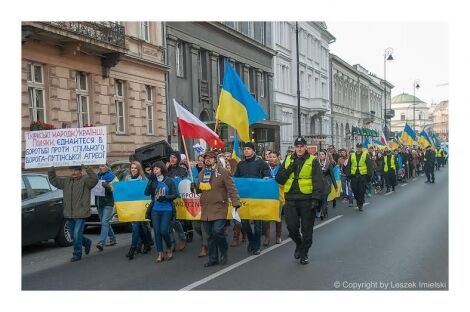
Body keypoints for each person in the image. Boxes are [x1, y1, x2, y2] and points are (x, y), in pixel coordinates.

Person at [275, 137, 324, 265]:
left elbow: (318, 181)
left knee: (307, 229)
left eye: (302, 146)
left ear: (306, 147)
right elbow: (279, 179)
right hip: (291, 199)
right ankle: (299, 243)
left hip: (307, 200)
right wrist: (289, 168)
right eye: (297, 146)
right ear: (295, 147)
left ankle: (304, 253)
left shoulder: (313, 160)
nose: (300, 148)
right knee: (291, 228)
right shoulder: (288, 160)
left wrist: (316, 199)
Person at [196, 150, 241, 267]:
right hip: (206, 208)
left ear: (215, 159)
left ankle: (224, 251)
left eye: (210, 158)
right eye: (206, 158)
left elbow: (231, 188)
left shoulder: (223, 172)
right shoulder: (202, 173)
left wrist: (236, 202)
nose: (207, 160)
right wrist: (194, 188)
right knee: (210, 235)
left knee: (218, 232)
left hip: (219, 207)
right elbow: (199, 190)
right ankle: (213, 258)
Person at [48, 165, 98, 262]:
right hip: (69, 213)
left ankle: (77, 253)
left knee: (76, 234)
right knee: (72, 235)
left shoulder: (86, 180)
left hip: (81, 213)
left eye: (75, 170)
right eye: (71, 170)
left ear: (80, 171)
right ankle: (87, 242)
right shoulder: (66, 181)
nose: (73, 172)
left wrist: (88, 168)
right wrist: (51, 169)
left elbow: (95, 179)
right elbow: (53, 180)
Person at [234, 141, 271, 255]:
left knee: (257, 223)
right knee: (244, 222)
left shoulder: (261, 163)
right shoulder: (240, 164)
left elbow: (267, 175)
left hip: (257, 196)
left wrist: (266, 177)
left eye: (248, 149)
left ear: (253, 151)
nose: (246, 151)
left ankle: (257, 246)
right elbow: (236, 179)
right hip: (245, 197)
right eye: (244, 149)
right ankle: (252, 241)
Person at [145, 161, 177, 263]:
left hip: (167, 209)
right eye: (154, 169)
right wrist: (150, 181)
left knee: (164, 231)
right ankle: (160, 253)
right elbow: (146, 193)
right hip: (155, 209)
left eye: (157, 169)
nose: (155, 171)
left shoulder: (169, 181)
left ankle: (169, 247)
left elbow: (175, 195)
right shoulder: (153, 181)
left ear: (162, 169)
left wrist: (165, 197)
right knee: (157, 232)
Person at [124, 161, 153, 260]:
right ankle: (146, 243)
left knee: (136, 227)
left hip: (141, 207)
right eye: (132, 168)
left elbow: (147, 193)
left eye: (135, 168)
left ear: (139, 169)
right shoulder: (127, 179)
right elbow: (124, 191)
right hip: (131, 206)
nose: (133, 169)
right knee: (139, 228)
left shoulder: (143, 179)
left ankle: (132, 249)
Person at [166, 151, 189, 251]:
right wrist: (165, 169)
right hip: (167, 199)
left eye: (174, 157)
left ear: (178, 159)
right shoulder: (165, 170)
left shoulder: (182, 170)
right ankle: (171, 243)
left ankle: (182, 238)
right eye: (171, 157)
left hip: (179, 199)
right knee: (168, 222)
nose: (172, 159)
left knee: (176, 221)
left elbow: (186, 183)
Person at [95, 163, 119, 251]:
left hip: (108, 202)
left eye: (102, 166)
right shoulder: (97, 176)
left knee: (105, 221)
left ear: (107, 166)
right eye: (99, 166)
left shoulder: (112, 176)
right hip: (99, 203)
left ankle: (101, 242)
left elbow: (116, 188)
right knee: (105, 222)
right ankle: (113, 239)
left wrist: (107, 186)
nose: (100, 167)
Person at [263, 151, 283, 246]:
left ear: (278, 158)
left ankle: (278, 236)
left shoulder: (282, 168)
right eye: (270, 157)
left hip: (278, 196)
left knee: (277, 216)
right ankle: (267, 237)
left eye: (274, 157)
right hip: (267, 196)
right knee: (267, 217)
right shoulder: (264, 168)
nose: (271, 158)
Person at [346, 143, 374, 211]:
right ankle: (358, 200)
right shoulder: (352, 155)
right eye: (357, 147)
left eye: (360, 147)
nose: (358, 148)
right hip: (354, 175)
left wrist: (369, 175)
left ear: (362, 148)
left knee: (361, 190)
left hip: (362, 175)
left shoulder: (365, 155)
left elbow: (369, 165)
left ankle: (360, 204)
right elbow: (349, 165)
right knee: (354, 190)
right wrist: (348, 175)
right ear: (356, 148)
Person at [190, 155, 209, 257]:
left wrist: (197, 184)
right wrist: (191, 185)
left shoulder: (209, 171)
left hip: (206, 201)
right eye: (199, 160)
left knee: (204, 225)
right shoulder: (192, 170)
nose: (201, 162)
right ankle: (206, 239)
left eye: (203, 160)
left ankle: (204, 246)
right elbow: (189, 181)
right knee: (196, 226)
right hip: (195, 202)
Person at [316, 150, 337, 220]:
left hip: (326, 184)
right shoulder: (316, 163)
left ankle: (324, 213)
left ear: (325, 156)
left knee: (324, 199)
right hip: (318, 184)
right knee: (319, 199)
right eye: (320, 154)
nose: (321, 156)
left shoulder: (328, 164)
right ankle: (319, 210)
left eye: (322, 154)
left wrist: (335, 185)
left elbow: (332, 175)